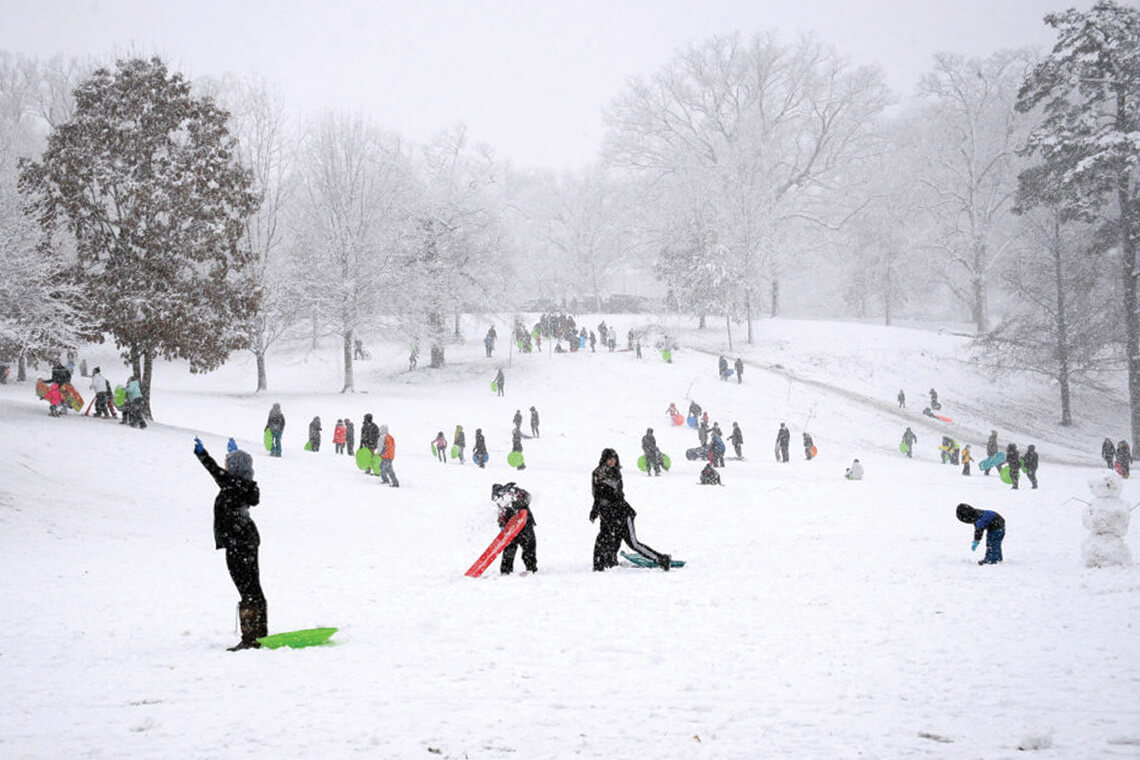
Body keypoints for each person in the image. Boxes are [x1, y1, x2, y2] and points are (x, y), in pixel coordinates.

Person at [194, 436, 267, 650]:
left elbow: (215, 471)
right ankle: (259, 634)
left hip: (239, 542)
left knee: (246, 588)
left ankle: (250, 639)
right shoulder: (245, 484)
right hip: (246, 540)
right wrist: (233, 457)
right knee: (253, 587)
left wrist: (202, 454)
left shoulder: (232, 484)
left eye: (229, 464)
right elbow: (224, 473)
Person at [589, 448, 671, 571]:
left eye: (614, 459)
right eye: (610, 459)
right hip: (609, 513)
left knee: (633, 543)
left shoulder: (615, 473)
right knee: (606, 538)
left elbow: (617, 496)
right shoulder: (597, 473)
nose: (612, 461)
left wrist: (604, 507)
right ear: (604, 459)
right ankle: (605, 562)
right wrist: (596, 510)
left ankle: (661, 559)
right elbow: (597, 495)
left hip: (622, 513)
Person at [492, 482, 537, 575]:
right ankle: (506, 570)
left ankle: (531, 568)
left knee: (528, 548)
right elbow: (501, 517)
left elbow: (527, 498)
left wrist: (518, 498)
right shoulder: (501, 505)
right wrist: (502, 525)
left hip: (525, 525)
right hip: (511, 529)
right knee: (509, 549)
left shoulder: (516, 493)